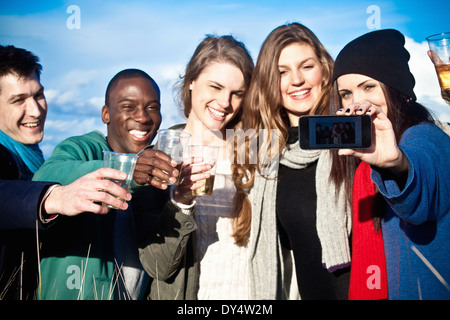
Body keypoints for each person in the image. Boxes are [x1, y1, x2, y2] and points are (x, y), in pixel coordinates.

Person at [0, 45, 132, 300]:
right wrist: (53, 198)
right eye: (18, 100)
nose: (36, 111)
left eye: (38, 95)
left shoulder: (32, 160)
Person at [232, 22, 352, 299]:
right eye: (281, 72)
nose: (296, 80)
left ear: (324, 70)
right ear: (267, 83)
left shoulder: (354, 134)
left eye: (307, 66)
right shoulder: (261, 151)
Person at [32, 68, 176, 300]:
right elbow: (43, 179)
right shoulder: (81, 149)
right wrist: (127, 170)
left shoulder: (157, 170)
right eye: (128, 107)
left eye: (153, 107)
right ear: (106, 114)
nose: (143, 117)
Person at [331, 29, 450, 300]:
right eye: (346, 93)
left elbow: (420, 177)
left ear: (398, 90)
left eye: (369, 86)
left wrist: (397, 164)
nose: (357, 102)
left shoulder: (425, 136)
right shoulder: (362, 156)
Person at [137, 35, 256, 299]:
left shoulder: (253, 152)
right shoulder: (156, 159)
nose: (225, 102)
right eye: (215, 87)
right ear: (191, 80)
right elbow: (159, 266)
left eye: (237, 93)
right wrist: (180, 202)